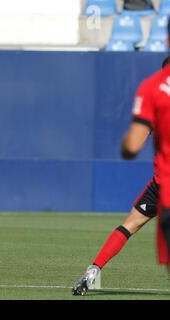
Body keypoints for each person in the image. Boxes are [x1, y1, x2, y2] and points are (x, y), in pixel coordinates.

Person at [72, 55, 170, 296]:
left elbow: (134, 143)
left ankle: (93, 270)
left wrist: (128, 143)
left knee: (129, 225)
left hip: (161, 183)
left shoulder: (155, 93)